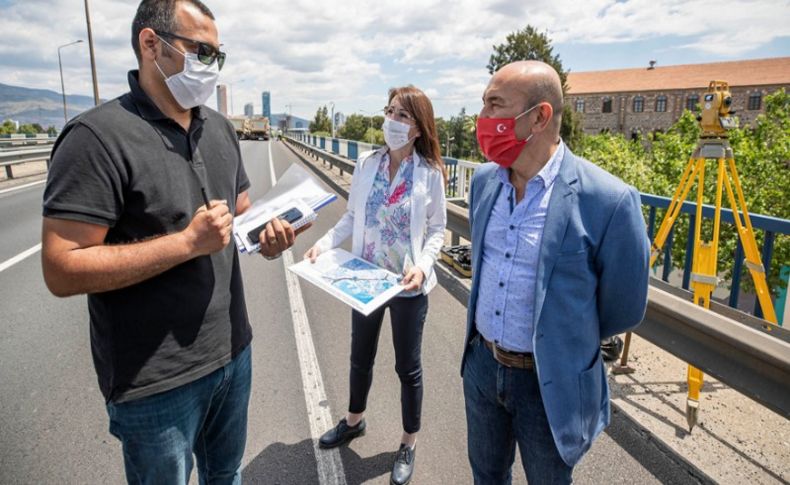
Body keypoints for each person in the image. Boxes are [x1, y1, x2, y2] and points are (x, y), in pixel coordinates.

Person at [40, 1, 306, 482]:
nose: (211, 65)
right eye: (201, 50)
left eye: (218, 56)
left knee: (226, 477)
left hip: (232, 355)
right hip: (154, 383)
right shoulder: (96, 138)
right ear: (150, 44)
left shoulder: (220, 129)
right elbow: (61, 268)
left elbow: (239, 216)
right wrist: (186, 244)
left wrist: (268, 238)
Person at [461, 61, 650, 484]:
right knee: (486, 475)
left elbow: (623, 308)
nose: (484, 120)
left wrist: (566, 338)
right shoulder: (485, 182)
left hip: (549, 384)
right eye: (484, 106)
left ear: (539, 117)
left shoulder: (610, 201)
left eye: (495, 105)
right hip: (482, 366)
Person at [304, 86, 447, 485]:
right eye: (390, 112)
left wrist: (422, 266)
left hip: (407, 286)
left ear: (418, 128)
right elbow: (351, 217)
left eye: (402, 116)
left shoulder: (430, 173)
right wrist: (323, 243)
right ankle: (354, 420)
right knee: (359, 356)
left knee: (408, 367)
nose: (392, 121)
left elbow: (437, 229)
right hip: (365, 279)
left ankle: (408, 442)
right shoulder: (367, 164)